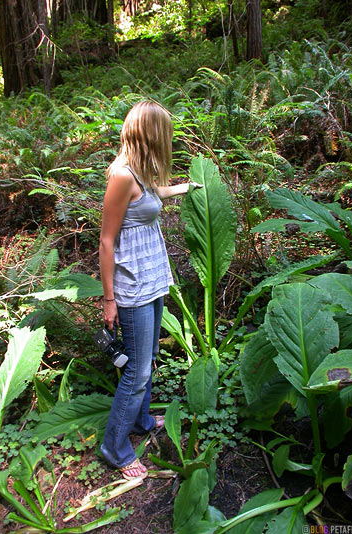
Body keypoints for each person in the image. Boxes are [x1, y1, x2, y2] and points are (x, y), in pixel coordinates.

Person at [99, 100, 201, 480]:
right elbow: (106, 241)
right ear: (149, 133)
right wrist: (109, 300)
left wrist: (183, 187)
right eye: (162, 131)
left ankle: (140, 420)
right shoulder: (122, 175)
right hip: (132, 287)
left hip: (152, 278)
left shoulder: (139, 172)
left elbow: (152, 193)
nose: (166, 139)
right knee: (137, 371)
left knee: (149, 355)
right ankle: (116, 447)